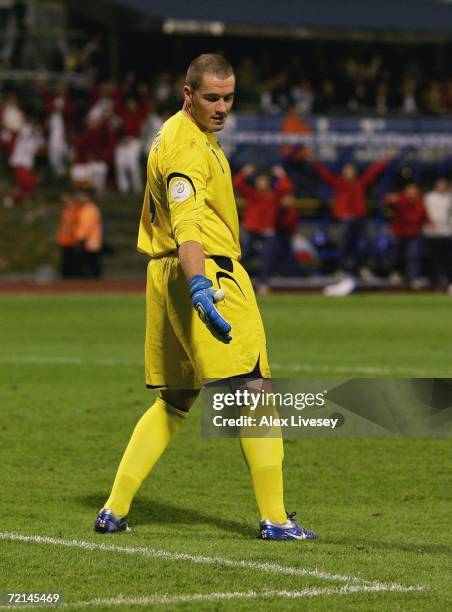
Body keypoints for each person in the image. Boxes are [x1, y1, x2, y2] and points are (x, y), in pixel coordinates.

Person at [94, 54, 316, 542]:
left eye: (228, 98)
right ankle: (276, 519)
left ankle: (113, 509)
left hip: (164, 273)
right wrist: (200, 285)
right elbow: (188, 220)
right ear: (188, 92)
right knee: (256, 392)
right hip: (207, 270)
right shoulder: (187, 149)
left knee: (177, 398)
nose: (221, 107)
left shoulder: (176, 133)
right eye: (212, 98)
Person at [308, 152, 391, 294]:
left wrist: (385, 159)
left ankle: (363, 269)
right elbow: (325, 174)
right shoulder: (338, 183)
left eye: (351, 170)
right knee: (343, 247)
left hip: (360, 219)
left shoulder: (360, 183)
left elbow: (373, 172)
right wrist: (314, 161)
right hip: (345, 220)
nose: (349, 173)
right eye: (346, 171)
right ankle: (341, 271)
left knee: (365, 244)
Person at [233, 164, 293, 294]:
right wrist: (244, 172)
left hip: (267, 231)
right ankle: (236, 282)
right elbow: (235, 184)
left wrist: (282, 176)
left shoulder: (273, 195)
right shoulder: (252, 193)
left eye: (264, 181)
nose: (262, 183)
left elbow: (287, 189)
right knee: (243, 256)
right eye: (260, 181)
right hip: (251, 230)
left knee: (267, 258)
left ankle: (263, 283)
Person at [385, 183, 428, 288]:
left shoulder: (420, 201)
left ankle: (414, 279)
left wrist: (429, 223)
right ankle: (396, 274)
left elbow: (424, 215)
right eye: (410, 190)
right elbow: (389, 202)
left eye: (414, 191)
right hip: (400, 233)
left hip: (414, 233)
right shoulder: (401, 199)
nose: (412, 193)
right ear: (406, 191)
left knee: (414, 256)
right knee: (397, 256)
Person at [423, 178, 452, 291]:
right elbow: (426, 212)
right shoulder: (429, 197)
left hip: (447, 232)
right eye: (440, 184)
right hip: (432, 233)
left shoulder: (449, 197)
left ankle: (449, 282)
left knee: (448, 259)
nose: (442, 187)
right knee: (435, 259)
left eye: (444, 185)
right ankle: (435, 283)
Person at [73, 191, 103, 279]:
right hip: (91, 238)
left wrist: (78, 237)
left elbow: (86, 225)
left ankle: (93, 279)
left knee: (91, 261)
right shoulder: (87, 209)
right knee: (91, 260)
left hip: (90, 239)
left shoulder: (89, 209)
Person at [56, 192, 79, 278]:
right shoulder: (65, 210)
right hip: (64, 238)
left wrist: (76, 237)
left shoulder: (75, 209)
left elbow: (77, 224)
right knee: (65, 258)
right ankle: (66, 276)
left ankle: (73, 276)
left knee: (73, 259)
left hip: (72, 238)